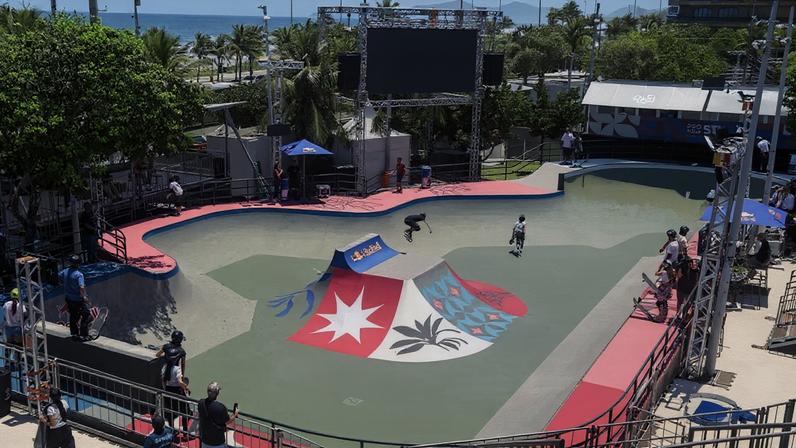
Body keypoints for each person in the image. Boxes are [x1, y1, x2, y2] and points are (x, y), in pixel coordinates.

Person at [59, 255, 92, 341]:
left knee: (73, 316)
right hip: (78, 300)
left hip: (69, 299)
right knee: (87, 316)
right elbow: (81, 287)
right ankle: (84, 335)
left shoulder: (65, 272)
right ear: (78, 264)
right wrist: (85, 297)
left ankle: (74, 334)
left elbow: (59, 277)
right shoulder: (79, 275)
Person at [198, 381, 239, 448]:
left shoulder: (201, 403)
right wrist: (235, 414)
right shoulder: (220, 407)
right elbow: (227, 421)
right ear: (217, 393)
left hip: (205, 441)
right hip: (217, 442)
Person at [161, 345, 191, 435]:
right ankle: (185, 431)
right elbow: (180, 382)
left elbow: (163, 380)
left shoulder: (164, 368)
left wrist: (165, 389)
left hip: (168, 391)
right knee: (186, 412)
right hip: (178, 392)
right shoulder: (177, 369)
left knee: (171, 413)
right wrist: (186, 387)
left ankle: (172, 430)